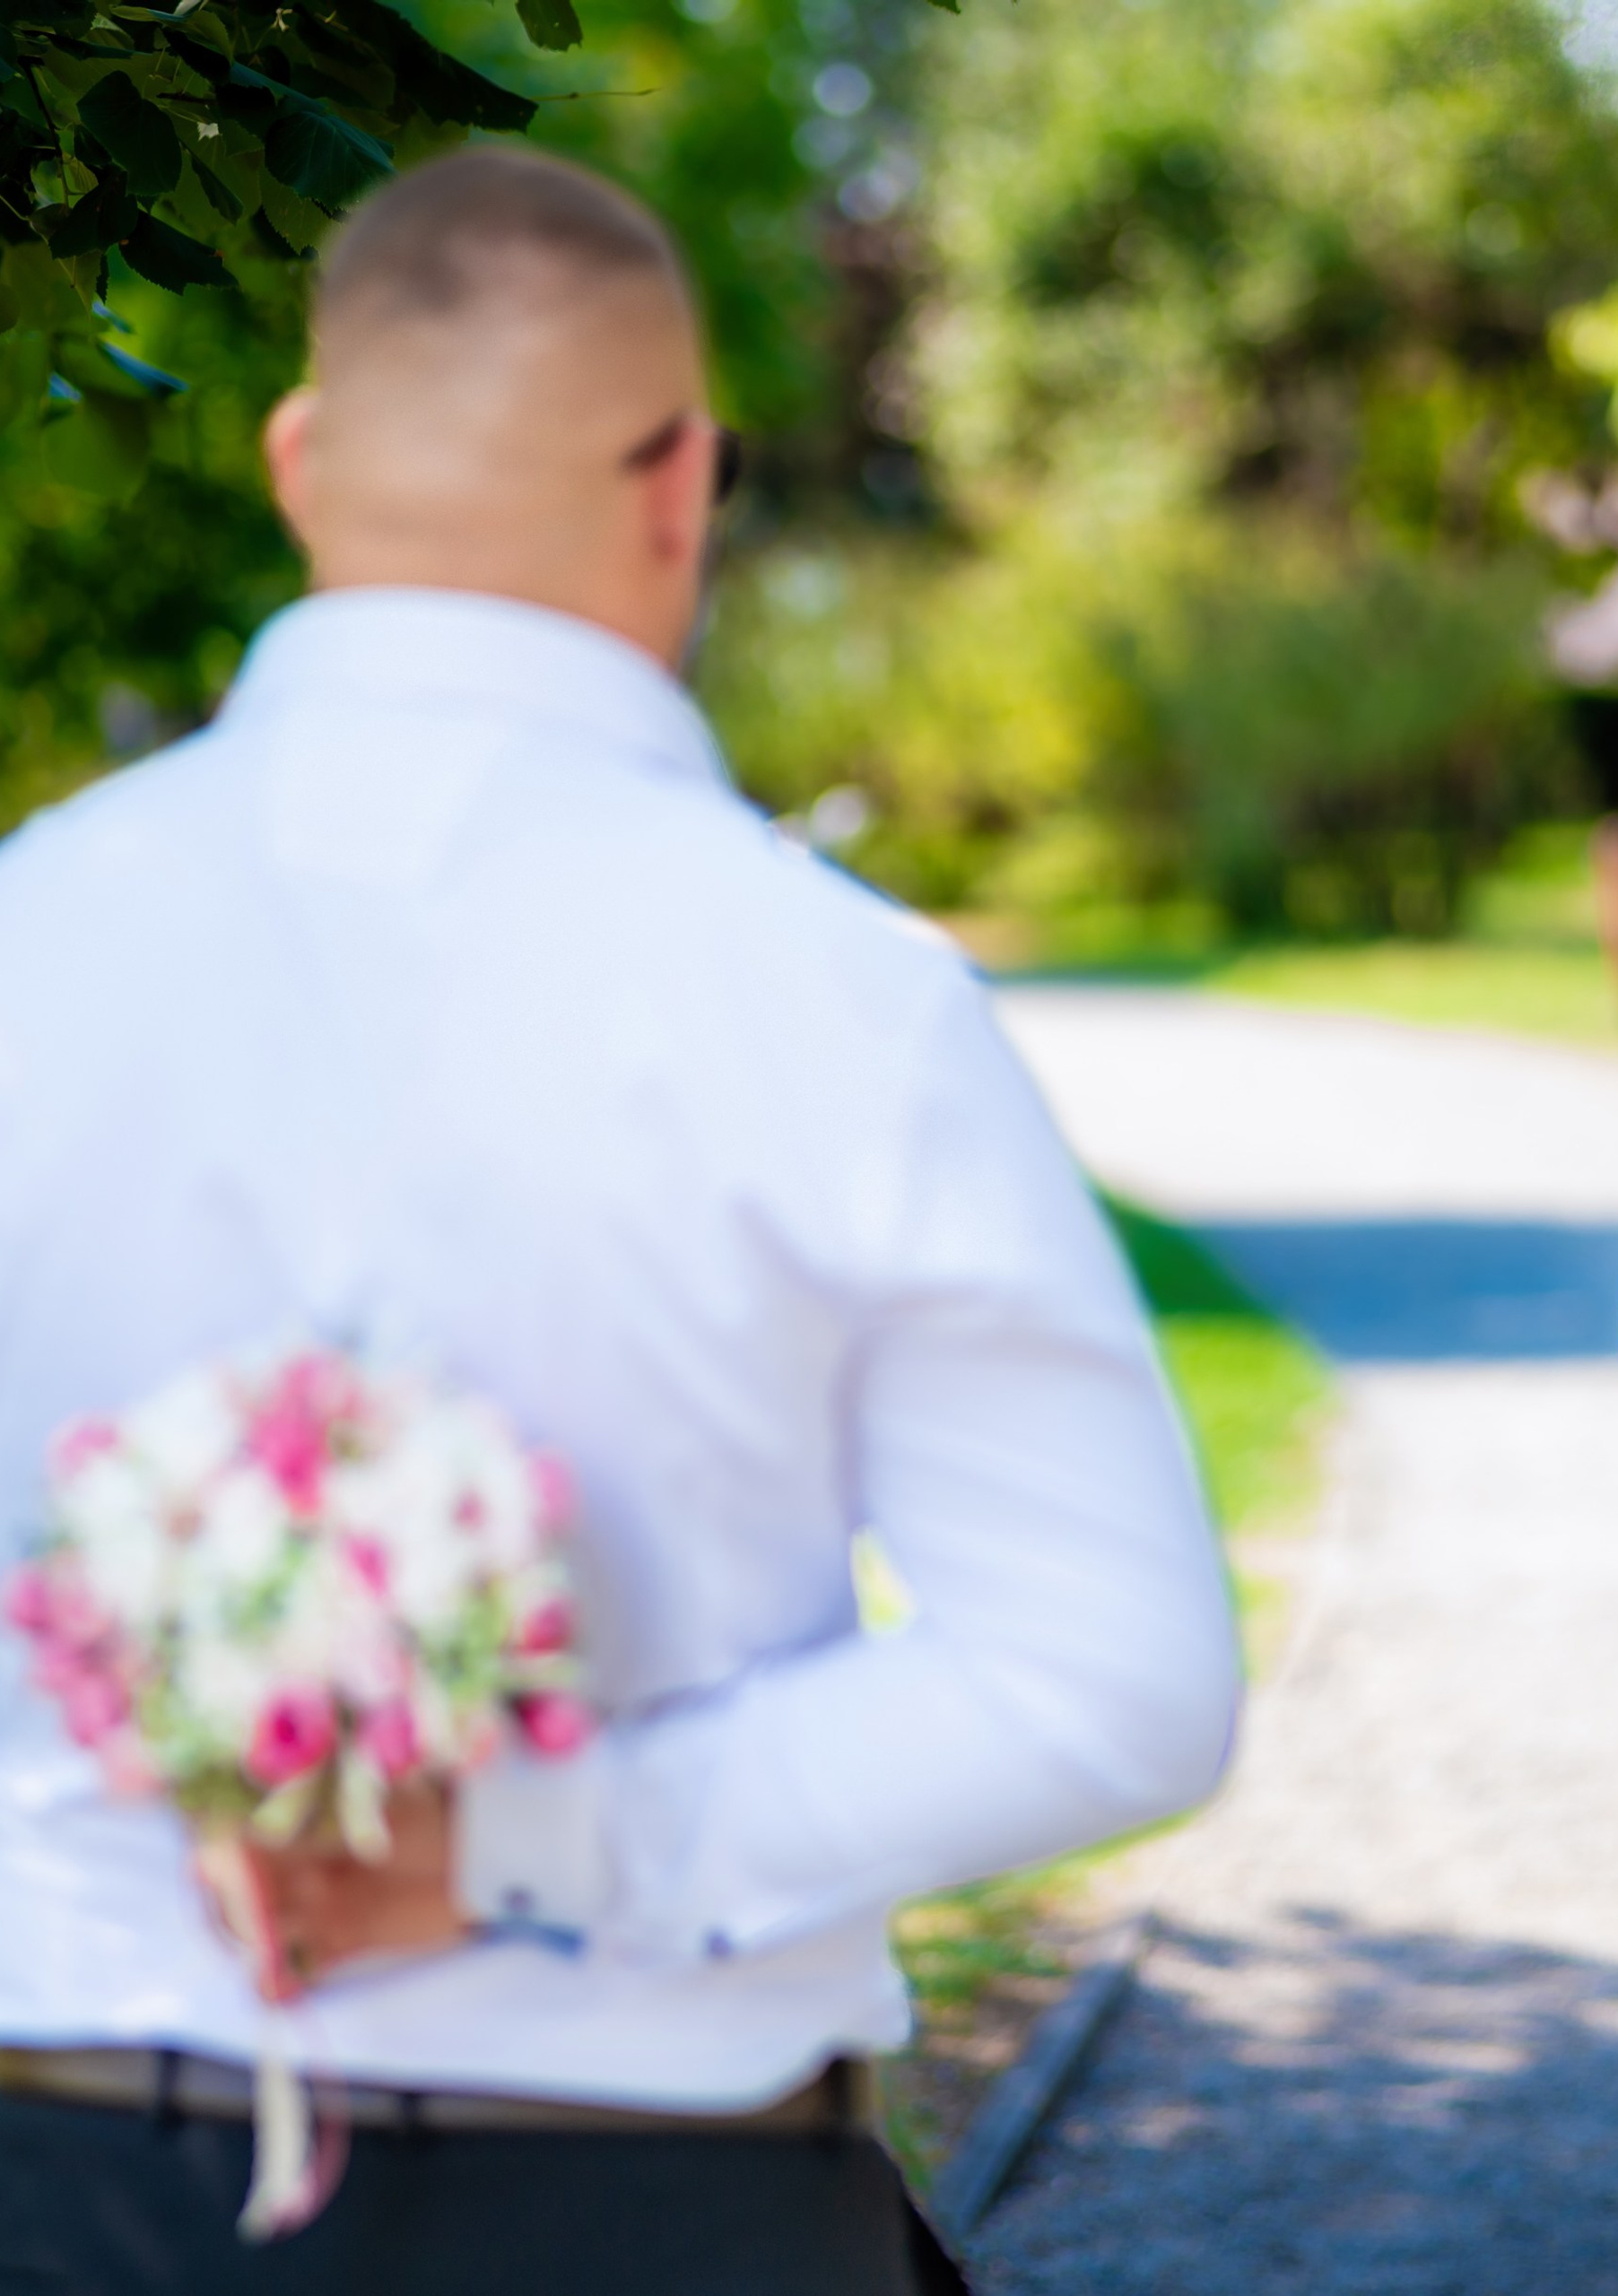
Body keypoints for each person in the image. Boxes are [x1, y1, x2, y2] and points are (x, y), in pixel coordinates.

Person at [0, 147, 1240, 2292]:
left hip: (58, 2165)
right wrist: (535, 1846)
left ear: (299, 460)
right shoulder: (845, 992)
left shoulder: (31, 939)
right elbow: (1112, 1675)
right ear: (681, 483)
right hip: (652, 2202)